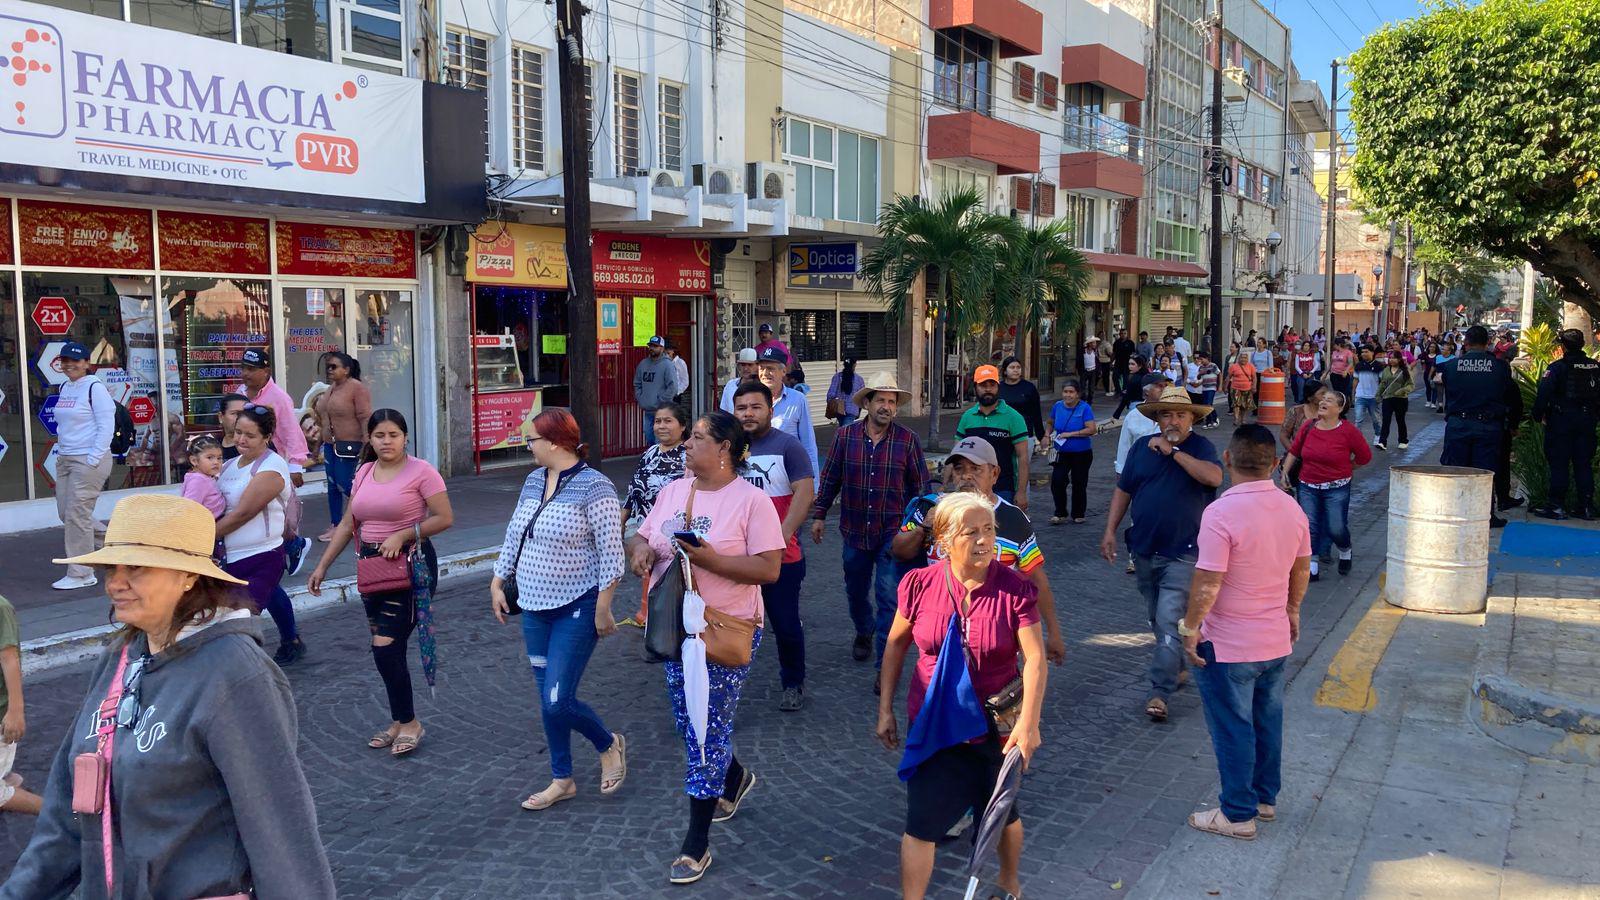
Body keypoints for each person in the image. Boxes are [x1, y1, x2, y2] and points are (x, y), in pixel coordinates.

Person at [5, 494, 335, 897]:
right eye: (112, 567)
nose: (115, 583)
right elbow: (64, 818)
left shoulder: (235, 672)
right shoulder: (119, 660)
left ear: (188, 577)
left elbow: (281, 830)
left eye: (137, 568)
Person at [626, 411, 784, 884]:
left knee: (704, 731)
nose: (687, 444)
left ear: (724, 451)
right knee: (690, 720)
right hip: (674, 626)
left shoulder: (751, 502)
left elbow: (769, 569)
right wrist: (639, 549)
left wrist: (713, 560)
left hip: (723, 629)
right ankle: (733, 777)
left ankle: (696, 843)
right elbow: (646, 533)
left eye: (697, 438)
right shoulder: (674, 490)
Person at [876, 492, 1046, 900]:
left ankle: (1008, 882)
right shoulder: (919, 583)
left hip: (995, 728)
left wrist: (1029, 724)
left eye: (989, 530)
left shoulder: (1014, 589)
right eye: (972, 532)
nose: (985, 540)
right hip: (934, 723)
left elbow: (1036, 659)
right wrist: (885, 709)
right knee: (921, 821)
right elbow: (896, 645)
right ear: (944, 539)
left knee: (1001, 813)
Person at [490, 408, 627, 812]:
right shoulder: (533, 480)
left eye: (531, 439)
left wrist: (604, 607)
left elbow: (611, 554)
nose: (527, 444)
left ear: (553, 442)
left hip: (577, 606)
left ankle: (607, 743)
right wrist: (498, 581)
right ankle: (561, 778)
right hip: (533, 606)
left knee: (557, 699)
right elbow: (516, 533)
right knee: (546, 697)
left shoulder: (595, 487)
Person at [1181, 425, 1312, 840]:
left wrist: (1191, 627)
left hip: (1229, 644)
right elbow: (1301, 567)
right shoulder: (1292, 508)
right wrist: (1292, 610)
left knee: (1233, 726)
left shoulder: (1220, 513)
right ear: (1274, 464)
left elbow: (1208, 580)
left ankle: (1237, 814)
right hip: (1274, 639)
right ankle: (1263, 798)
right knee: (1267, 720)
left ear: (1227, 459)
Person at [307, 409, 453, 756]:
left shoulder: (422, 472)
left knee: (386, 645)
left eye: (393, 435)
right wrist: (322, 567)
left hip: (411, 568)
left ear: (405, 438)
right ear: (369, 440)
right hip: (372, 569)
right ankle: (400, 720)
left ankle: (410, 723)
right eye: (379, 436)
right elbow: (348, 524)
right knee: (385, 648)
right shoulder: (364, 472)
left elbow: (445, 517)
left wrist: (404, 534)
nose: (386, 442)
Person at [1099, 386, 1223, 722]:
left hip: (1184, 553)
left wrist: (1172, 453)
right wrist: (1110, 530)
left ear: (1190, 419)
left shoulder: (1200, 448)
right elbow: (1124, 490)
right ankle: (1175, 664)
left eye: (1180, 415)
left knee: (1169, 619)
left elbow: (1213, 477)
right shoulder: (1142, 448)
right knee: (1157, 617)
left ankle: (1160, 690)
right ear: (1156, 418)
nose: (1173, 420)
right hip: (1143, 548)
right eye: (1166, 414)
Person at [891, 439, 1067, 666]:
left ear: (994, 474)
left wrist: (1053, 632)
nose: (966, 476)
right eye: (959, 469)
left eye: (976, 469)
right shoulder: (931, 508)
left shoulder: (1014, 519)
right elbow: (898, 551)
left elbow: (1036, 579)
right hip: (940, 640)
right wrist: (924, 527)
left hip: (996, 642)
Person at [812, 373, 930, 671]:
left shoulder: (908, 440)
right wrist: (820, 514)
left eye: (892, 401)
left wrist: (920, 529)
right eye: (881, 400)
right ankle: (863, 630)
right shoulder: (844, 437)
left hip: (893, 532)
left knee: (889, 598)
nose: (886, 407)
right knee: (855, 589)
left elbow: (922, 491)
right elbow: (830, 478)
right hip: (854, 530)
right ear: (867, 403)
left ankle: (884, 666)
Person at [732, 382, 815, 711]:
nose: (748, 414)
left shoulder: (788, 446)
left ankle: (793, 681)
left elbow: (805, 493)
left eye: (755, 407)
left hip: (783, 557)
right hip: (738, 558)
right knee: (731, 623)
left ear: (770, 410)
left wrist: (781, 536)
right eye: (742, 408)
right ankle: (726, 683)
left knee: (785, 623)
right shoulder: (728, 450)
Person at [215, 405, 305, 665]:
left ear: (266, 437)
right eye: (238, 432)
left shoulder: (272, 467)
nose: (241, 439)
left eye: (250, 435)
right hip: (229, 559)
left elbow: (243, 513)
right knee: (251, 606)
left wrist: (203, 535)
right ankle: (291, 641)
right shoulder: (230, 464)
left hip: (262, 556)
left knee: (240, 620)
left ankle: (250, 674)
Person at [234, 349, 311, 578]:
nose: (245, 374)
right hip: (246, 459)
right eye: (243, 368)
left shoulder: (278, 398)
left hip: (271, 462)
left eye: (251, 369)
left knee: (275, 514)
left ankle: (291, 546)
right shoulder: (241, 393)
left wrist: (296, 466)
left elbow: (291, 432)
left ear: (266, 371)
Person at [1280, 390, 1373, 580]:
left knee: (1336, 527)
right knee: (1310, 526)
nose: (1323, 402)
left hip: (1337, 488)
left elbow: (1365, 456)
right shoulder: (1308, 426)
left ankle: (1345, 550)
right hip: (1308, 485)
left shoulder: (1348, 431)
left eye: (1329, 400)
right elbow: (1295, 451)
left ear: (1339, 408)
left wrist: (1348, 468)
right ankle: (1312, 564)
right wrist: (1285, 473)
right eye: (1323, 399)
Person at [49, 341, 115, 591]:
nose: (70, 365)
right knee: (68, 513)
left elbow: (106, 423)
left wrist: (93, 456)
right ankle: (118, 546)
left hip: (88, 459)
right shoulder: (66, 386)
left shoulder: (94, 387)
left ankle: (81, 573)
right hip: (66, 458)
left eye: (75, 361)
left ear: (87, 363)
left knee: (76, 515)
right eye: (65, 361)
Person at [1439, 326, 1521, 527]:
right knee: (1485, 474)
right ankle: (1486, 516)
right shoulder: (1500, 367)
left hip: (1458, 424)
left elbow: (1449, 393)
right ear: (1487, 344)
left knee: (1456, 471)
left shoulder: (1451, 367)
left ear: (1465, 344)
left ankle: (1455, 512)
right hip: (1488, 426)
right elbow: (1509, 395)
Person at [1531, 329, 1600, 520]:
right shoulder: (1594, 366)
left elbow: (1543, 394)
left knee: (1559, 464)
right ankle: (1586, 506)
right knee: (1583, 464)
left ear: (1562, 346)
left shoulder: (1557, 368)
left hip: (1561, 423)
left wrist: (1538, 416)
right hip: (1587, 423)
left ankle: (1556, 506)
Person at [313, 352, 372, 542]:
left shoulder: (356, 388)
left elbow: (365, 417)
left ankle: (369, 513)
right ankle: (337, 525)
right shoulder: (331, 389)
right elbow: (324, 419)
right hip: (331, 445)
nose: (329, 370)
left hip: (350, 444)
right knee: (332, 486)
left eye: (334, 367)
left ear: (346, 370)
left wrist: (367, 443)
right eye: (328, 367)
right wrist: (316, 447)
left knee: (345, 484)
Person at [957, 365, 1031, 510]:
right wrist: (946, 485)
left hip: (1004, 489)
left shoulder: (1013, 417)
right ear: (975, 387)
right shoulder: (967, 417)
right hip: (971, 489)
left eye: (992, 385)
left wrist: (1021, 492)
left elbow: (1022, 457)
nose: (988, 389)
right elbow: (956, 454)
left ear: (998, 386)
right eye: (983, 385)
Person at [0, 591, 41, 816]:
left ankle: (57, 814)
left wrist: (16, 711)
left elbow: (9, 659)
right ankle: (9, 780)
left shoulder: (0, 607)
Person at [753, 346, 821, 475]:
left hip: (789, 474)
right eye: (762, 368)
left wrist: (814, 484)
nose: (765, 373)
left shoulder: (798, 400)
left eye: (771, 369)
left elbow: (808, 445)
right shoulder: (750, 400)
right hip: (758, 476)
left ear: (783, 371)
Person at [1049, 380, 1097, 524]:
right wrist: (1046, 435)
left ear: (1078, 394)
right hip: (1061, 451)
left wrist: (1070, 434)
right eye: (1065, 392)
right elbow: (1050, 422)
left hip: (1081, 452)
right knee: (1057, 481)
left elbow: (1091, 429)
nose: (1068, 395)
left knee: (1079, 483)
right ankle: (1060, 512)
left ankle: (1078, 513)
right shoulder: (1057, 406)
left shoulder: (1085, 408)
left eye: (1071, 392)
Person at [634, 335, 681, 446]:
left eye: (655, 346)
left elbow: (673, 387)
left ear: (662, 348)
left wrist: (661, 401)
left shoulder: (667, 365)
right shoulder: (643, 364)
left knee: (659, 440)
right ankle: (654, 460)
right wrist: (641, 398)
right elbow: (637, 383)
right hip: (648, 410)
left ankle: (660, 461)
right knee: (649, 436)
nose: (652, 348)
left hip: (662, 411)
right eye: (650, 345)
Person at [997, 356, 1047, 459]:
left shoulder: (1029, 388)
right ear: (1005, 371)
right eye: (1012, 367)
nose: (1016, 370)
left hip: (1024, 434)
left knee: (1022, 468)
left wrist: (1041, 436)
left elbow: (1036, 414)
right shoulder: (998, 388)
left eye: (1018, 367)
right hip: (1001, 434)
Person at [1377, 350, 1414, 451]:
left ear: (1399, 359)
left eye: (1394, 358)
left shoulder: (1405, 370)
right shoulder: (1386, 370)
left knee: (1400, 420)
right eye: (1390, 358)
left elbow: (1411, 385)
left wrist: (1403, 390)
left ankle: (1403, 440)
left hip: (1401, 399)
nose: (1392, 360)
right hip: (1387, 398)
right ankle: (1382, 441)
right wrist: (1378, 395)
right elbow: (1382, 384)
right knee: (1386, 420)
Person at [1351, 347, 1383, 439]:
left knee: (1376, 420)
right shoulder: (1359, 365)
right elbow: (1356, 380)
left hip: (1374, 397)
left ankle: (1378, 436)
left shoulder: (1378, 366)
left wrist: (1380, 394)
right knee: (1358, 420)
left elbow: (1382, 381)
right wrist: (1353, 393)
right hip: (1360, 396)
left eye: (1366, 352)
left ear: (1372, 353)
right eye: (1362, 352)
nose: (1364, 354)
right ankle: (1357, 439)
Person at [826, 358, 865, 427]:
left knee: (843, 430)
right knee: (845, 432)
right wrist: (858, 411)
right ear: (855, 365)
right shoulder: (859, 380)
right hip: (852, 410)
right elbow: (862, 397)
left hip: (839, 410)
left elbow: (830, 394)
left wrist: (832, 404)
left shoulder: (837, 377)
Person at [719, 348, 760, 412]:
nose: (746, 368)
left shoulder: (762, 388)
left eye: (750, 365)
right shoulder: (730, 385)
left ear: (757, 366)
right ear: (738, 366)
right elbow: (724, 413)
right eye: (743, 365)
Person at [1226, 348, 1257, 426]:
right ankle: (1236, 419)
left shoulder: (1251, 366)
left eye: (1245, 358)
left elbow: (1254, 377)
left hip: (1247, 388)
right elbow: (1228, 377)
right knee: (1236, 404)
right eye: (1242, 357)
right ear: (1239, 358)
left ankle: (1243, 419)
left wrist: (1254, 386)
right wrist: (1225, 387)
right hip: (1235, 387)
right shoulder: (1233, 366)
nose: (1243, 359)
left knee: (1245, 405)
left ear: (1247, 359)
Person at [1112, 356, 1149, 421]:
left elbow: (1127, 397)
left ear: (1140, 366)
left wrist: (1116, 414)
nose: (1130, 366)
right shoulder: (1147, 377)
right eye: (1129, 364)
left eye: (1133, 364)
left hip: (1135, 407)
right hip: (1147, 406)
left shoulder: (1134, 379)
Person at [1192, 350, 1221, 428]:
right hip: (1204, 387)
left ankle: (1211, 420)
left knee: (1208, 404)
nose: (1200, 361)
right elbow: (1199, 378)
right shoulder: (1200, 367)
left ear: (1207, 358)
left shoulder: (1213, 365)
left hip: (1212, 387)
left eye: (1202, 359)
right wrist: (1200, 374)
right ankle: (1210, 421)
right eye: (1199, 359)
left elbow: (1219, 374)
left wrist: (1220, 385)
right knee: (1206, 404)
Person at [217, 392, 249, 460]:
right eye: (234, 413)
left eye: (244, 413)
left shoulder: (256, 446)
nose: (240, 417)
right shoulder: (213, 445)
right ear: (221, 417)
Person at [1112, 330, 1136, 394]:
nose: (1123, 335)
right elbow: (1114, 353)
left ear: (1127, 334)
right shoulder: (1116, 343)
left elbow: (1133, 353)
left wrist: (1132, 363)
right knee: (1115, 376)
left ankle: (1125, 391)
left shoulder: (1130, 343)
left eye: (1125, 333)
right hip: (1118, 362)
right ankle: (1118, 391)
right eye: (1122, 333)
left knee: (1126, 378)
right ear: (1119, 334)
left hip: (1127, 363)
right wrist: (1111, 362)